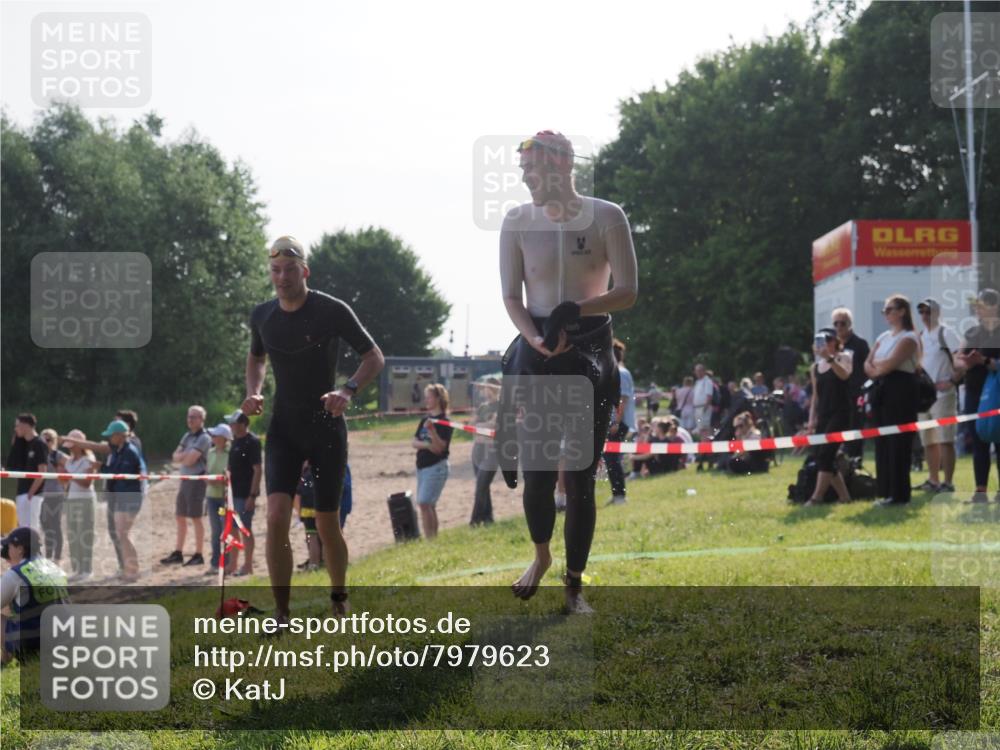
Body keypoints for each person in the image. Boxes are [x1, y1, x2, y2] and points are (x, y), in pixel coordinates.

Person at [498, 130, 637, 613]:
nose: (525, 179)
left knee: (578, 478)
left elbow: (628, 290)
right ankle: (540, 555)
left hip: (591, 351)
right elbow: (512, 297)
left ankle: (574, 584)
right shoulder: (517, 220)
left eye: (532, 169)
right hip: (537, 350)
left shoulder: (606, 216)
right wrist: (533, 337)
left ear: (560, 166)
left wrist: (575, 309)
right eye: (522, 170)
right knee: (537, 477)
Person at [242, 235, 384, 620]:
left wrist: (348, 389)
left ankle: (339, 596)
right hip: (284, 428)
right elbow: (256, 360)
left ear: (304, 271)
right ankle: (282, 612)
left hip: (326, 427)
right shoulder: (262, 315)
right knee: (275, 518)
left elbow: (374, 357)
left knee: (326, 522)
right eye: (275, 270)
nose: (282, 277)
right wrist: (253, 392)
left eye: (290, 270)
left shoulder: (331, 310)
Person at [864, 295, 920, 506]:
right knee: (882, 441)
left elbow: (891, 363)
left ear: (902, 311)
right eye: (884, 311)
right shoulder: (883, 337)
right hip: (882, 391)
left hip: (901, 391)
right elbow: (868, 364)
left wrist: (879, 365)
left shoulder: (909, 337)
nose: (886, 314)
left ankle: (899, 494)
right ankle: (885, 491)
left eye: (889, 310)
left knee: (899, 443)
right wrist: (878, 366)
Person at [915, 298, 964, 493]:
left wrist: (952, 381)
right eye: (922, 312)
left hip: (943, 394)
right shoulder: (920, 335)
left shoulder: (946, 333)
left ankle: (948, 482)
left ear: (937, 313)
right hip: (924, 396)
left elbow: (960, 361)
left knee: (946, 439)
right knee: (928, 440)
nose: (925, 316)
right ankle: (933, 480)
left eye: (929, 312)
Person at [956, 289, 1000, 502]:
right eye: (976, 305)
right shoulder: (972, 332)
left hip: (997, 394)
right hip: (974, 393)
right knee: (978, 441)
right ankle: (980, 492)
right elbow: (959, 359)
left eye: (981, 304)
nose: (977, 309)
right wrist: (964, 362)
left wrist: (986, 362)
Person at [1, 527, 68, 664]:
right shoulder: (54, 567)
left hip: (33, 646)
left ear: (20, 549)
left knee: (4, 612)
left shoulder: (15, 574)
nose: (7, 550)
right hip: (66, 642)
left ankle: (5, 659)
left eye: (10, 546)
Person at [805, 329, 853, 505]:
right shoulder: (815, 368)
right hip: (823, 414)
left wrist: (830, 358)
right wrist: (811, 420)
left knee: (826, 453)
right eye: (820, 340)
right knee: (822, 456)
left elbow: (845, 375)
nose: (824, 343)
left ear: (835, 342)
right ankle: (844, 497)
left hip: (840, 412)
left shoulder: (844, 357)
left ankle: (816, 497)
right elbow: (816, 396)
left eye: (828, 340)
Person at [160, 406, 211, 567]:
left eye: (194, 417)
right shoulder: (187, 436)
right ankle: (178, 552)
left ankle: (199, 554)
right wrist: (184, 456)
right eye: (189, 416)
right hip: (184, 479)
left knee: (196, 517)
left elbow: (189, 460)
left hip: (197, 480)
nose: (190, 420)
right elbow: (175, 457)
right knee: (180, 516)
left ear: (202, 419)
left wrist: (183, 456)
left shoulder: (204, 438)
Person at [98, 420, 146, 581]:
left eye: (111, 435)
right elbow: (114, 472)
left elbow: (119, 473)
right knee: (122, 534)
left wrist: (100, 467)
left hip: (130, 496)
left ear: (119, 436)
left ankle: (133, 570)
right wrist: (102, 467)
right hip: (121, 496)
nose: (109, 439)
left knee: (123, 534)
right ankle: (130, 569)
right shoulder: (119, 450)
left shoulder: (129, 451)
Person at [412, 384, 453, 539]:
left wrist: (432, 432)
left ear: (438, 398)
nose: (426, 400)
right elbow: (414, 442)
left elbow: (440, 449)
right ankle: (432, 539)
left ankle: (430, 539)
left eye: (429, 396)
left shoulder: (444, 421)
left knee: (423, 503)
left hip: (436, 467)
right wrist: (427, 444)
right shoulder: (425, 419)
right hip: (422, 468)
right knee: (428, 505)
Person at [225, 411, 262, 576]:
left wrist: (252, 496)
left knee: (245, 529)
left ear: (241, 424)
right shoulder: (235, 441)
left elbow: (257, 470)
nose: (230, 426)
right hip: (233, 494)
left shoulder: (252, 442)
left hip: (245, 494)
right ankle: (233, 564)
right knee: (232, 529)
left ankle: (248, 565)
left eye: (233, 423)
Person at [833, 307, 871, 462]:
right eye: (836, 323)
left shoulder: (860, 344)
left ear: (849, 324)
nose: (839, 327)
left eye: (842, 323)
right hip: (836, 394)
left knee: (855, 428)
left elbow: (868, 368)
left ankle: (855, 461)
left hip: (855, 394)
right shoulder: (832, 345)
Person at [60, 430, 98, 581]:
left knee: (85, 534)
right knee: (73, 535)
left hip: (86, 500)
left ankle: (87, 570)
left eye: (73, 445)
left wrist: (70, 476)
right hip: (71, 500)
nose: (70, 448)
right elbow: (65, 484)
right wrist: (62, 478)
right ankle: (77, 569)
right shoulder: (69, 461)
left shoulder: (89, 459)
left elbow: (87, 483)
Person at [603, 339, 635, 506]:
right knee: (611, 458)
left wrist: (616, 422)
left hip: (618, 422)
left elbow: (623, 399)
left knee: (612, 458)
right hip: (616, 421)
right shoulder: (617, 372)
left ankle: (620, 496)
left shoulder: (620, 373)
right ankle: (617, 494)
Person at [6, 414, 47, 531]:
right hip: (22, 491)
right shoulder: (22, 443)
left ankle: (35, 549)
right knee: (22, 527)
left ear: (26, 426)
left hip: (32, 493)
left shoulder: (39, 443)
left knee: (32, 526)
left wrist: (31, 493)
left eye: (17, 426)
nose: (15, 429)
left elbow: (42, 471)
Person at [470, 378, 501, 526]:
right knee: (483, 486)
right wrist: (482, 426)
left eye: (487, 388)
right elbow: (471, 425)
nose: (485, 391)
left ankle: (474, 521)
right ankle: (488, 519)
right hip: (478, 449)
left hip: (492, 451)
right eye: (484, 388)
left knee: (481, 486)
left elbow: (494, 426)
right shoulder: (482, 407)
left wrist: (480, 426)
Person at [204, 423, 232, 574]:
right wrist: (208, 479)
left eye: (215, 436)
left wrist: (220, 480)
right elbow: (208, 470)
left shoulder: (230, 453)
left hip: (224, 497)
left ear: (223, 438)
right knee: (215, 531)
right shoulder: (211, 452)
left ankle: (226, 562)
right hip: (211, 496)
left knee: (224, 530)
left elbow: (230, 474)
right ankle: (215, 563)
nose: (212, 438)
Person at [39, 428, 68, 561]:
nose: (45, 442)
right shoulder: (39, 455)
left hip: (56, 494)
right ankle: (48, 554)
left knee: (55, 524)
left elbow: (71, 467)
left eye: (49, 439)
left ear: (54, 441)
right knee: (45, 524)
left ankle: (57, 557)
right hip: (42, 495)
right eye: (43, 439)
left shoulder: (58, 455)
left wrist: (60, 470)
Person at [692, 364, 715, 438]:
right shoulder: (698, 382)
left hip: (703, 408)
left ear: (703, 371)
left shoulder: (707, 381)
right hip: (697, 408)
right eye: (696, 371)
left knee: (704, 428)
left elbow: (709, 395)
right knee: (700, 428)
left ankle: (706, 446)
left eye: (699, 371)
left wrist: (705, 408)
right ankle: (702, 444)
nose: (697, 373)